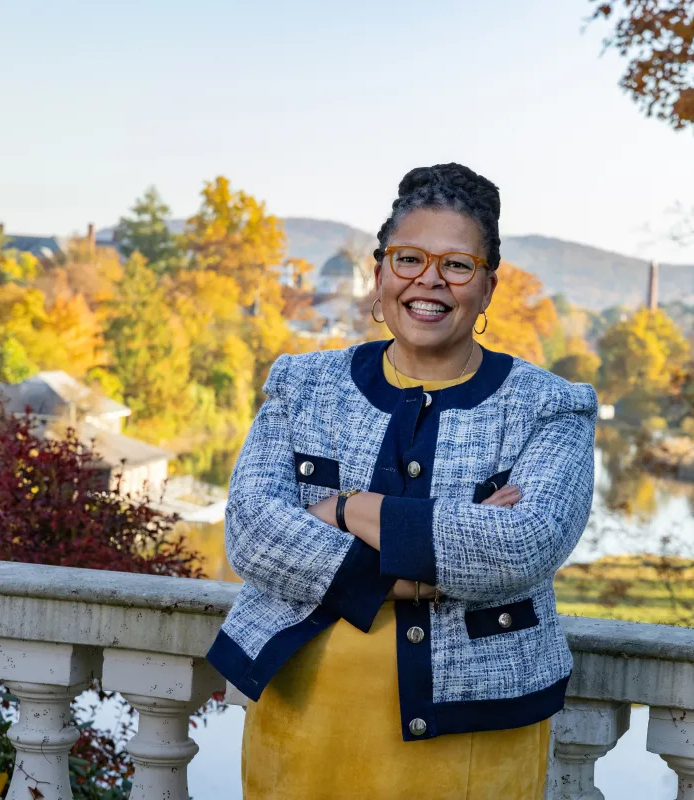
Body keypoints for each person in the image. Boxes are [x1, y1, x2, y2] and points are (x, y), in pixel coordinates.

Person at [206, 163, 599, 799]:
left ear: (488, 286)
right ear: (381, 270)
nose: (429, 281)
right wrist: (443, 554)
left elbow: (521, 545)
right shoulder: (301, 385)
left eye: (457, 265)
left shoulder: (551, 407)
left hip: (474, 742)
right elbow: (253, 536)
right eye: (409, 258)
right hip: (303, 724)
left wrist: (341, 509)